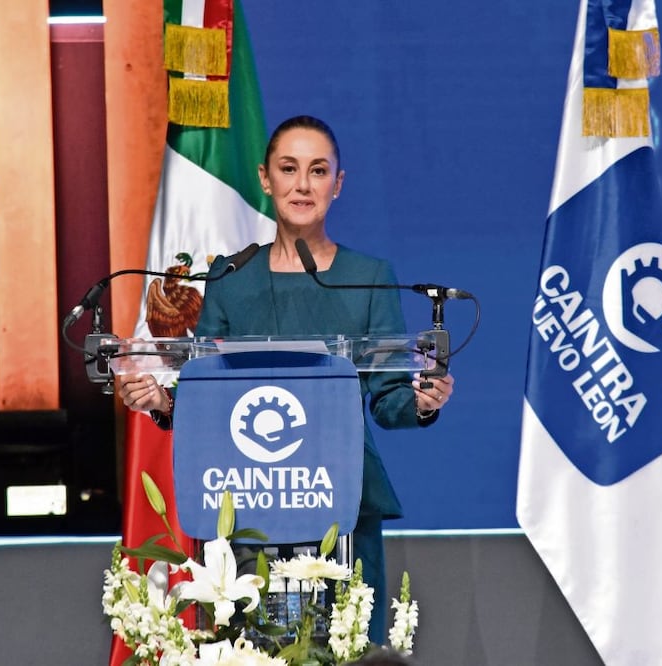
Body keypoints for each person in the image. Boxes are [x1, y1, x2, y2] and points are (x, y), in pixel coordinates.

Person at [119, 115, 455, 643]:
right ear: (264, 178)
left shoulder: (369, 277)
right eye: (289, 169)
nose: (303, 184)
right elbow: (204, 402)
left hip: (341, 505)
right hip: (247, 504)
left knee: (343, 647)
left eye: (318, 171)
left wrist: (424, 401)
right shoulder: (229, 280)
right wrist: (164, 400)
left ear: (338, 184)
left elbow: (390, 401)